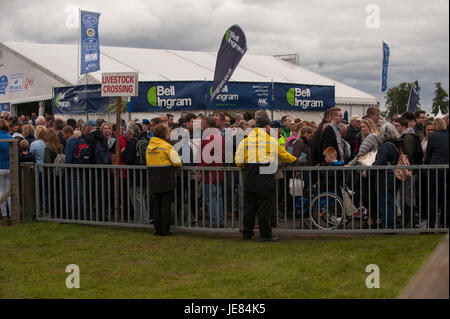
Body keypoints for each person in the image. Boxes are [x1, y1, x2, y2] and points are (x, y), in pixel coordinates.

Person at [235, 116, 297, 242]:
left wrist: (245, 167)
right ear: (267, 127)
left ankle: (247, 235)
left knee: (249, 208)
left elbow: (238, 161)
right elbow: (285, 156)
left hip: (250, 176)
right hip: (266, 177)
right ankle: (265, 235)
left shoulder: (245, 141)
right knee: (264, 208)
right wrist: (295, 160)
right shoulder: (271, 141)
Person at [146, 124, 182, 236]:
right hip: (166, 179)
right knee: (165, 206)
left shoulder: (149, 146)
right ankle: (165, 230)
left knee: (156, 206)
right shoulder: (167, 146)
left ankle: (157, 230)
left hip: (153, 178)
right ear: (164, 134)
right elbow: (177, 162)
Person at [372, 123, 402, 229]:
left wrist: (371, 167)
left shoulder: (385, 146)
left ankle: (388, 226)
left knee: (385, 204)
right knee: (390, 203)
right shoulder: (397, 145)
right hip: (393, 177)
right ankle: (391, 225)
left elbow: (379, 163)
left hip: (385, 178)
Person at [198, 116, 225, 228]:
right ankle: (220, 220)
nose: (202, 126)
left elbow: (205, 158)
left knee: (211, 198)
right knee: (218, 197)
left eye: (203, 124)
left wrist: (200, 170)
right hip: (218, 171)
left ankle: (215, 221)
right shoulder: (220, 136)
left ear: (207, 125)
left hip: (209, 172)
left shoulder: (208, 137)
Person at [426, 118, 449, 228]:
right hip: (447, 169)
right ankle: (445, 224)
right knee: (446, 198)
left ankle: (431, 224)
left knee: (433, 198)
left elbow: (429, 152)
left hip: (435, 169)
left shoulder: (432, 137)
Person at [0, 119, 12, 223]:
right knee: (9, 192)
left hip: (0, 167)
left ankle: (4, 216)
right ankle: (12, 214)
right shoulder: (10, 137)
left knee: (2, 192)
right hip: (9, 167)